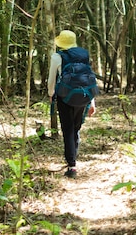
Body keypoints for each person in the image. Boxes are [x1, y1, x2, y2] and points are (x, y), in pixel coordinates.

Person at [47, 29, 96, 179]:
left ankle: (72, 165)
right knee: (75, 128)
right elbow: (87, 78)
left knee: (68, 129)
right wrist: (92, 100)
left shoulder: (57, 56)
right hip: (83, 96)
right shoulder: (84, 54)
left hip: (64, 97)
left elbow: (51, 80)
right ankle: (73, 157)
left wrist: (51, 94)